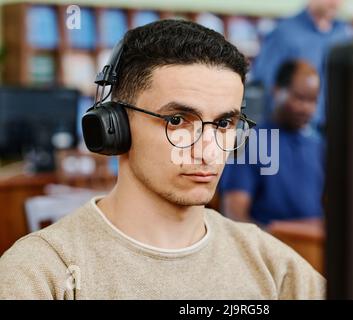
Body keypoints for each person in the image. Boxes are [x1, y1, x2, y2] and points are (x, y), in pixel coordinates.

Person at [0, 20, 325, 300]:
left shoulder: (269, 263)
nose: (208, 150)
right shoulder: (41, 273)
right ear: (115, 127)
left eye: (224, 123)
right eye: (177, 121)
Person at [220, 60, 325, 226]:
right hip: (268, 245)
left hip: (315, 246)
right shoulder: (250, 142)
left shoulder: (318, 146)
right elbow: (234, 216)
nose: (307, 108)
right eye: (299, 98)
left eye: (313, 101)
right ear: (277, 91)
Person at [251, 0, 353, 131]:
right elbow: (264, 83)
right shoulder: (284, 33)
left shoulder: (343, 34)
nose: (335, 3)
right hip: (295, 131)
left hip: (334, 130)